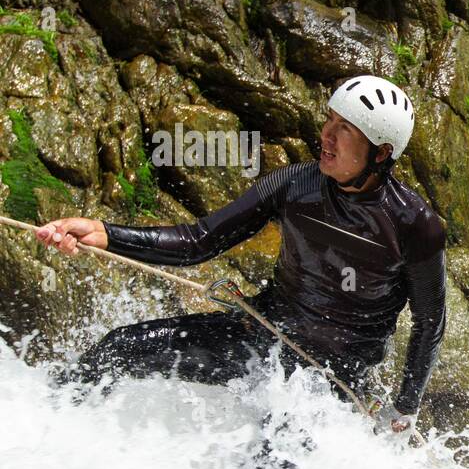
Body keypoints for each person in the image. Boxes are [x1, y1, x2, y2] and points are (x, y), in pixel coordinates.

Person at [35, 74, 446, 436]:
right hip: (261, 337)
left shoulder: (415, 226)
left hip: (331, 380)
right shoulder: (294, 184)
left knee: (273, 453)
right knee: (120, 346)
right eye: (330, 121)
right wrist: (105, 233)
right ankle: (45, 425)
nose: (326, 135)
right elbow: (198, 241)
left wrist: (405, 408)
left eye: (345, 130)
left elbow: (430, 324)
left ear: (380, 152)